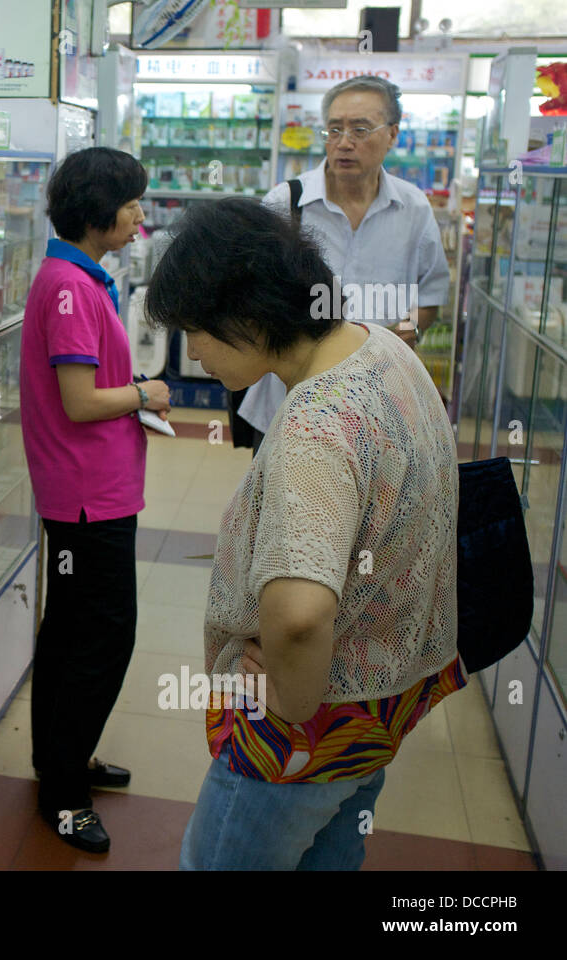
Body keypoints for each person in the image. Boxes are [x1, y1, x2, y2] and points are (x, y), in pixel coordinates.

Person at [144, 198, 463, 870]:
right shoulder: (383, 350)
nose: (193, 353)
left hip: (310, 728)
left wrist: (289, 702)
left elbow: (298, 614)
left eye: (196, 331)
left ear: (249, 319)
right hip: (380, 704)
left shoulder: (316, 424)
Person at [20, 147, 172, 854]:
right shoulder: (69, 288)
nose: (140, 214)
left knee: (70, 632)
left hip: (91, 488)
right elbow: (80, 403)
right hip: (88, 496)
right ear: (98, 209)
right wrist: (145, 393)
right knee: (102, 639)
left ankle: (59, 760)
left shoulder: (77, 277)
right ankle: (64, 795)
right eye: (132, 201)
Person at [238, 75, 450, 448]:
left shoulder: (413, 207)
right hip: (288, 403)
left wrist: (409, 328)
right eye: (334, 130)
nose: (344, 143)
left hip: (377, 402)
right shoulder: (286, 203)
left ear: (393, 134)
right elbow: (247, 292)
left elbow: (429, 294)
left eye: (360, 129)